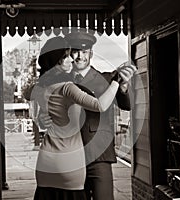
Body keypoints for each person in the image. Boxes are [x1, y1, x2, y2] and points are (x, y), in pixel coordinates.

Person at [39, 31, 137, 200]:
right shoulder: (59, 78)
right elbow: (46, 110)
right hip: (67, 156)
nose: (79, 57)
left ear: (91, 53)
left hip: (98, 154)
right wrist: (42, 119)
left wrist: (123, 88)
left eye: (84, 52)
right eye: (75, 52)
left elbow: (126, 105)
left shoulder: (107, 78)